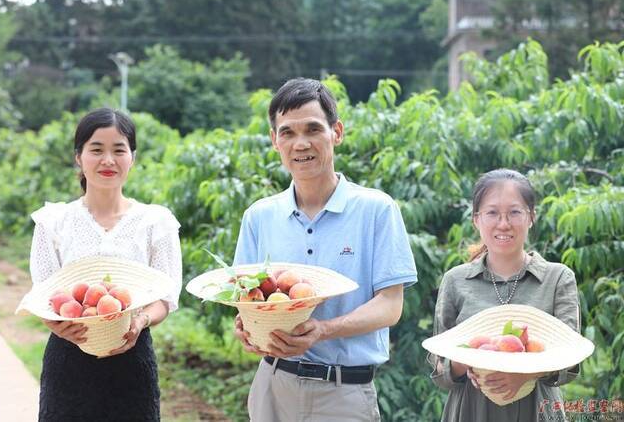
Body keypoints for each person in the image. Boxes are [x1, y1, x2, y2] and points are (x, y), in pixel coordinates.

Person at [233, 78, 418, 421]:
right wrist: (246, 327)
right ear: (275, 141)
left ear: (337, 132)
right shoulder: (259, 217)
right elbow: (245, 298)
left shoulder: (376, 210)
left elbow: (391, 305)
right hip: (273, 386)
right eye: (287, 132)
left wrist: (324, 330)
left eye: (313, 129)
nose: (300, 143)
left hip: (344, 393)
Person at [29, 108, 182, 421]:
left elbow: (165, 298)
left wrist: (140, 321)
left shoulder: (155, 222)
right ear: (79, 157)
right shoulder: (54, 222)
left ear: (132, 157)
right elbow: (43, 295)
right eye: (96, 149)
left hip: (132, 356)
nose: (108, 160)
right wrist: (55, 323)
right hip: (68, 359)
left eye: (119, 150)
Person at [429, 168, 580, 421]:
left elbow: (571, 361)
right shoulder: (455, 280)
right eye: (492, 213)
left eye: (514, 212)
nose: (503, 223)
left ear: (531, 216)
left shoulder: (558, 278)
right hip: (471, 411)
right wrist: (469, 361)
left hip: (537, 409)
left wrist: (525, 374)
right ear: (476, 219)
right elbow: (438, 368)